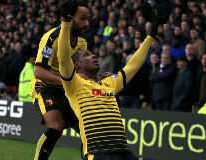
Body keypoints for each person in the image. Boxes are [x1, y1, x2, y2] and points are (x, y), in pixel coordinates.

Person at [57, 9, 165, 160]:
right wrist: (66, 23)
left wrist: (150, 37)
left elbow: (132, 66)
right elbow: (63, 57)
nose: (93, 55)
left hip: (123, 151)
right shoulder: (74, 84)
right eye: (86, 55)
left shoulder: (109, 83)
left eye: (92, 54)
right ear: (76, 65)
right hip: (99, 152)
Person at [31, 1, 89, 160]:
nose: (87, 23)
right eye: (83, 18)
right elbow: (39, 71)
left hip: (67, 91)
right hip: (45, 88)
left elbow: (82, 72)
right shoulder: (51, 37)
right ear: (71, 18)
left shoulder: (82, 42)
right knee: (56, 126)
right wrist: (66, 81)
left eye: (88, 19)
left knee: (88, 132)